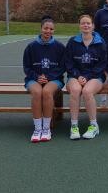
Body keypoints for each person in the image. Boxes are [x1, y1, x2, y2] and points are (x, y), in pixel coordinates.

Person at [23, 15, 66, 143]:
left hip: (54, 79)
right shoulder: (31, 47)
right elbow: (26, 67)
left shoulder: (59, 47)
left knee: (47, 92)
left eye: (51, 29)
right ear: (41, 28)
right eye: (46, 28)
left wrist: (49, 77)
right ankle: (37, 129)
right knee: (37, 92)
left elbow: (62, 67)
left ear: (54, 30)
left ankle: (46, 128)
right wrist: (37, 77)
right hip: (34, 78)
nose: (48, 31)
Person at [64, 15, 107, 140]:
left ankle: (94, 126)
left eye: (88, 23)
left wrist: (87, 77)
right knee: (76, 90)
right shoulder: (73, 41)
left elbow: (102, 63)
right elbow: (68, 62)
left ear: (93, 25)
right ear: (79, 26)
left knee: (87, 91)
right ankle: (74, 126)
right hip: (75, 76)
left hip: (95, 76)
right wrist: (78, 75)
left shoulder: (100, 42)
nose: (86, 25)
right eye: (83, 23)